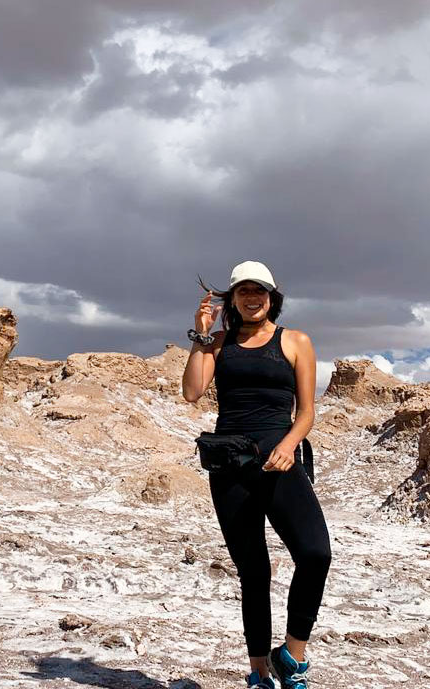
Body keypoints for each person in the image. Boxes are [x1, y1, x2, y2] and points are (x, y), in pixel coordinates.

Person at [181, 261, 331, 689]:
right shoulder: (220, 342)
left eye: (259, 291)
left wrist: (287, 447)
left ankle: (292, 656)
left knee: (316, 553)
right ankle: (260, 672)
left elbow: (306, 413)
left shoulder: (296, 341)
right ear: (233, 298)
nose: (252, 297)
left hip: (280, 462)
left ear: (272, 297)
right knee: (253, 571)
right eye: (243, 291)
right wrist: (202, 337)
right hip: (230, 468)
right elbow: (192, 392)